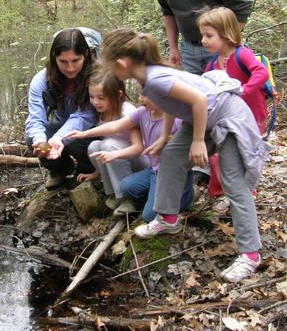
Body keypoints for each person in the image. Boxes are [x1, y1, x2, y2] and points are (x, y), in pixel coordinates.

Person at [100, 28, 269, 283]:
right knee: (171, 155)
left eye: (109, 64)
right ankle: (168, 217)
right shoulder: (147, 78)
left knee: (234, 184)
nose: (109, 70)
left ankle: (251, 256)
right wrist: (163, 137)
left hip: (226, 116)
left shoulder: (157, 78)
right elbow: (171, 105)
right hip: (201, 117)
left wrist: (199, 141)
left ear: (122, 63)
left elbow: (199, 100)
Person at [197, 7, 269, 213]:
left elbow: (261, 72)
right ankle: (222, 191)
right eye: (203, 35)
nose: (203, 40)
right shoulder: (212, 65)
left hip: (252, 114)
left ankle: (248, 189)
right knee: (223, 153)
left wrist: (244, 90)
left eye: (209, 35)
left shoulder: (241, 54)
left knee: (248, 150)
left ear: (227, 35)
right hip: (227, 118)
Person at [25, 28, 99, 190]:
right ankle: (60, 169)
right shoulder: (41, 80)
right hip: (64, 126)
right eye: (63, 62)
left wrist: (59, 137)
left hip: (94, 132)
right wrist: (39, 140)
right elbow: (36, 118)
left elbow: (84, 116)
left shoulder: (97, 76)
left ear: (85, 55)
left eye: (75, 61)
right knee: (31, 138)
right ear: (54, 58)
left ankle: (89, 167)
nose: (70, 68)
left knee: (72, 139)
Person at [75, 66, 149, 214]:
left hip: (143, 162)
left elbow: (139, 147)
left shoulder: (126, 111)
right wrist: (95, 174)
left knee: (108, 145)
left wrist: (114, 154)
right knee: (94, 146)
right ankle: (114, 193)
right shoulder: (101, 114)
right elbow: (103, 149)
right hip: (119, 159)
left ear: (118, 94)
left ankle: (128, 199)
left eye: (101, 97)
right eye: (92, 97)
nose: (95, 102)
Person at [118, 93, 195, 221]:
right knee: (126, 186)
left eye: (146, 94)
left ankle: (187, 195)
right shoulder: (143, 113)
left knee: (148, 216)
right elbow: (115, 125)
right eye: (141, 93)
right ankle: (153, 202)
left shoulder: (177, 119)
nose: (141, 98)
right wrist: (84, 133)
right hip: (155, 170)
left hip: (174, 174)